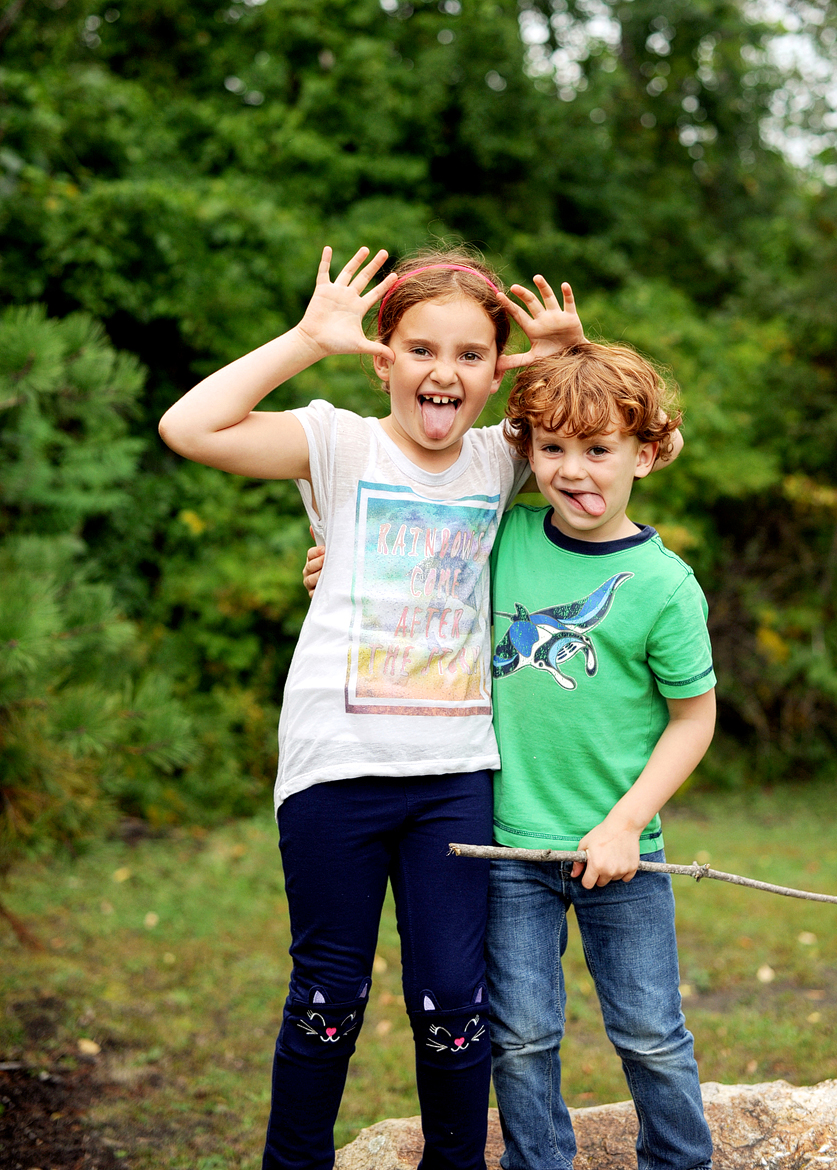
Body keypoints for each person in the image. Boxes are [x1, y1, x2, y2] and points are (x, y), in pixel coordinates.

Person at [157, 243, 588, 1170]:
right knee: (328, 995)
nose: (445, 370)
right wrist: (309, 340)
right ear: (384, 356)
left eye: (471, 355)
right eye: (421, 349)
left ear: (494, 373)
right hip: (334, 770)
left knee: (453, 1001)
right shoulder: (337, 441)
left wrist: (567, 360)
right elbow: (189, 428)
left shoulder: (499, 460)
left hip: (453, 779)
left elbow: (607, 452)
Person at [486, 342, 716, 1170]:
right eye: (552, 449)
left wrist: (626, 823)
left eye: (598, 449)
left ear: (645, 455)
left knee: (652, 1034)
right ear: (527, 452)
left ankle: (679, 1163)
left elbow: (694, 720)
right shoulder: (503, 537)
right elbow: (422, 563)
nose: (572, 470)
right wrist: (337, 571)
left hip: (627, 854)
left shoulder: (663, 585)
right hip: (511, 847)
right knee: (518, 1038)